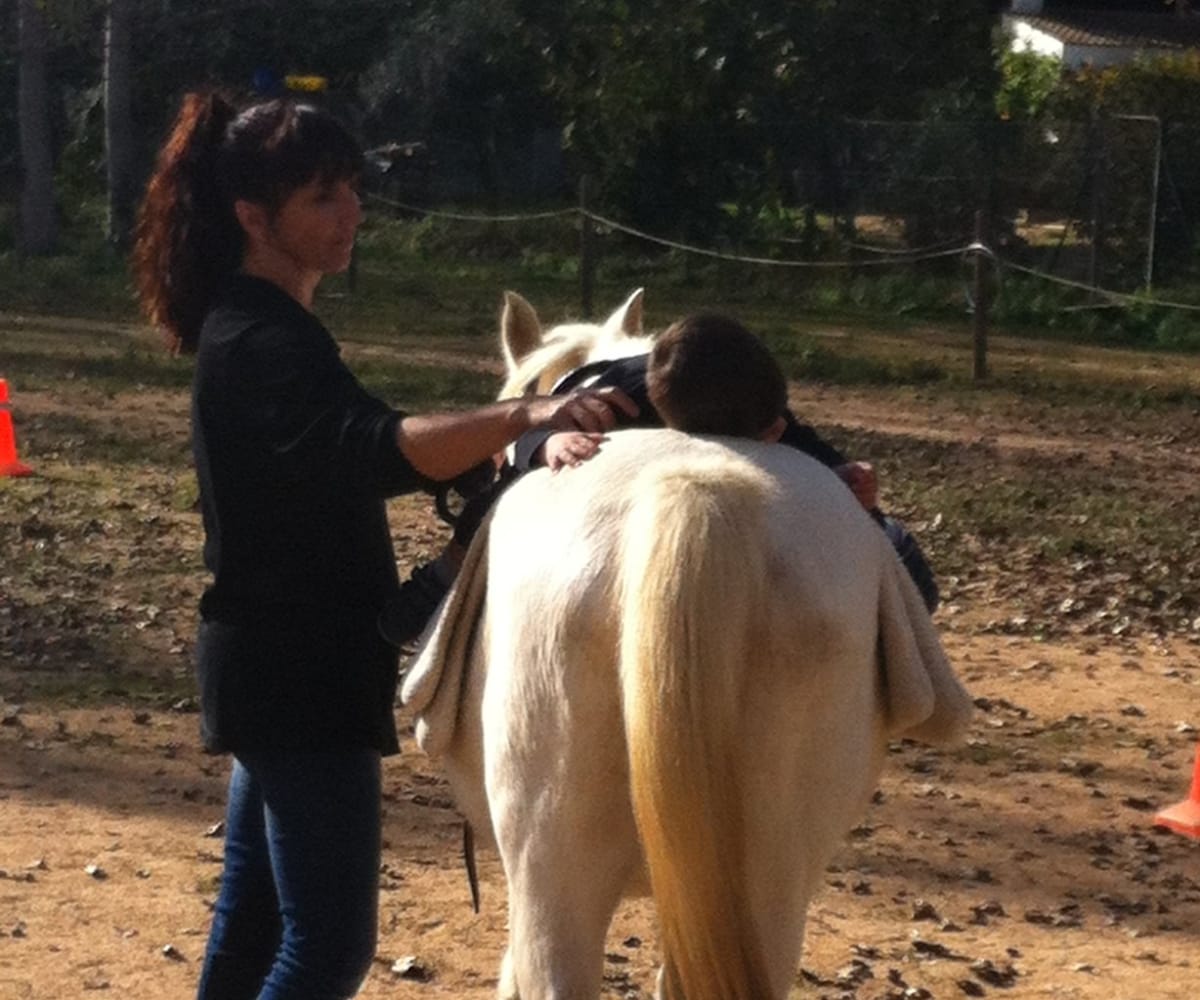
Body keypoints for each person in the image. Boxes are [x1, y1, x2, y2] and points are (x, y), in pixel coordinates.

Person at [132, 91, 634, 1000]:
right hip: (300, 683)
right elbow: (373, 446)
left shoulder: (266, 329)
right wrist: (526, 413)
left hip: (283, 669)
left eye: (353, 189)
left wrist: (470, 474)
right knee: (327, 948)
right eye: (323, 197)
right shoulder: (259, 340)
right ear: (254, 217)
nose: (352, 211)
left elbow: (341, 461)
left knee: (251, 929)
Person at [379, 311, 937, 650]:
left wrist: (849, 486)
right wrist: (545, 441)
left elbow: (826, 461)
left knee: (503, 503)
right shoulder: (615, 392)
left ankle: (431, 599)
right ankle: (444, 577)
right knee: (498, 497)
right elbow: (535, 420)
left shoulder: (767, 408)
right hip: (629, 401)